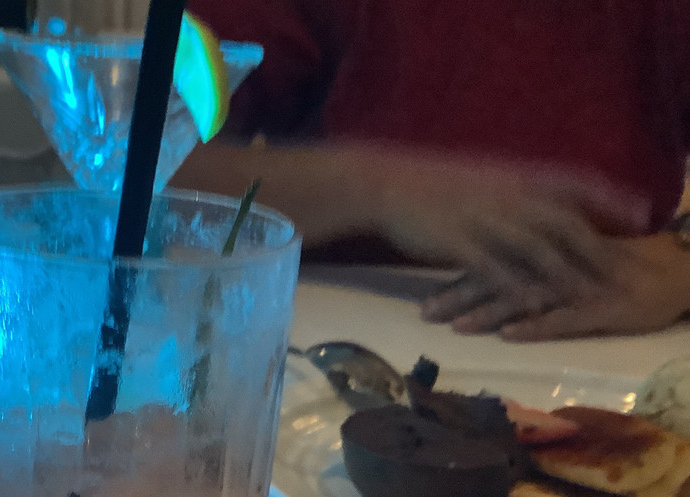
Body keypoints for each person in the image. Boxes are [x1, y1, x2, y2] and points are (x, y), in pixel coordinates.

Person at [174, 0, 690, 341]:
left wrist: (681, 264)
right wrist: (379, 188)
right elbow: (150, 177)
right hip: (330, 362)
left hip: (611, 364)